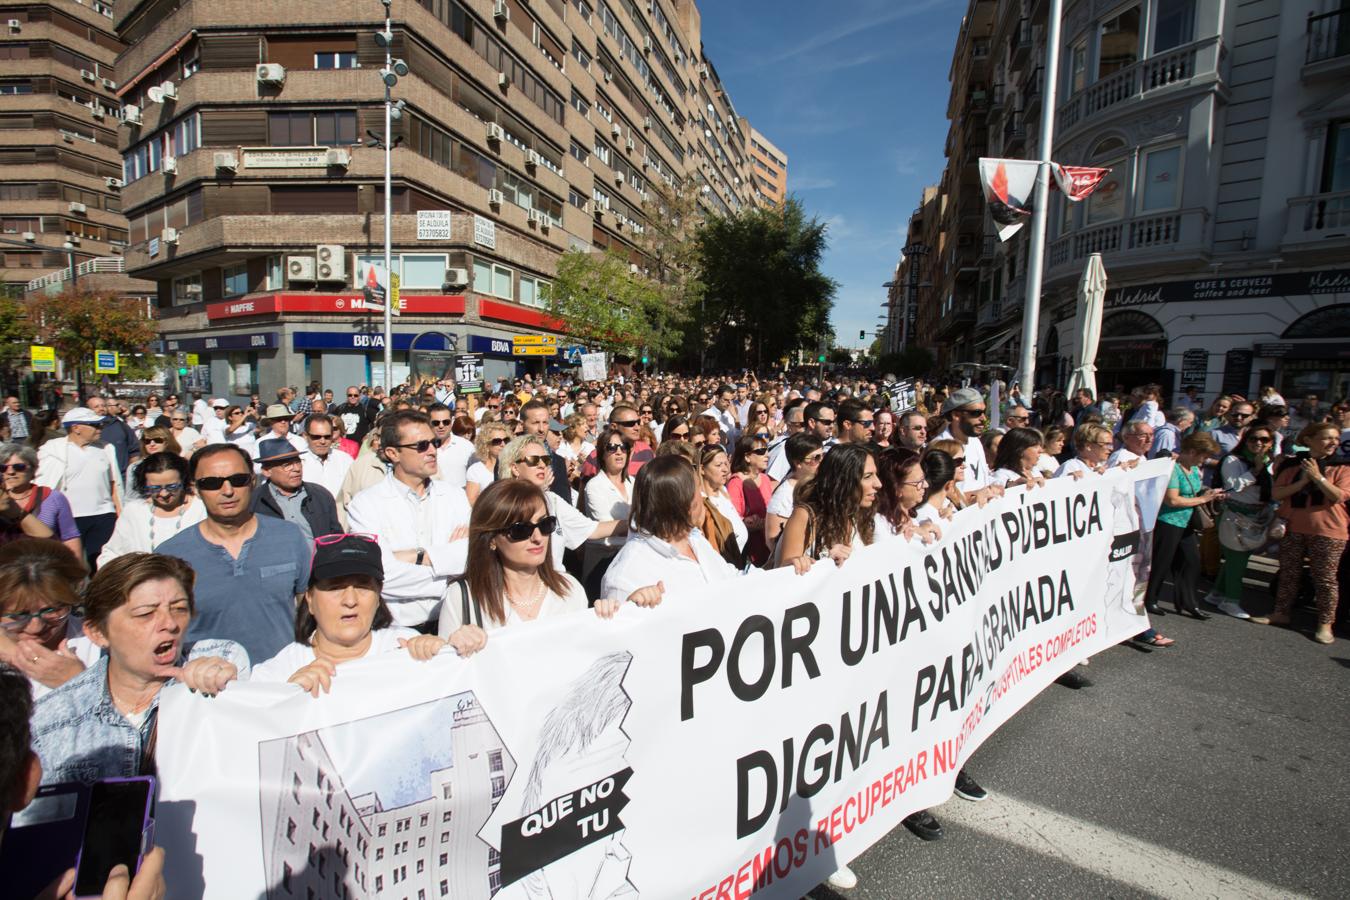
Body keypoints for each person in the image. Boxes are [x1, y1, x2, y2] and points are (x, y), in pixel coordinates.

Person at [31, 553, 245, 787]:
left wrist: (223, 686)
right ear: (98, 633)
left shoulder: (220, 659)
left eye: (180, 609)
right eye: (145, 613)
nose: (170, 623)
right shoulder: (50, 719)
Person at [157, 444, 312, 663]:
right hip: (208, 688)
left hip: (283, 680)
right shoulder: (170, 555)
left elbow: (307, 606)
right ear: (195, 489)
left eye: (238, 480)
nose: (228, 490)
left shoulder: (288, 536)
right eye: (212, 483)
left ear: (253, 481)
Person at [251, 534, 456, 692]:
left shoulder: (405, 648)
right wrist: (287, 701)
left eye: (363, 587)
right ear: (310, 600)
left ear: (378, 598)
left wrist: (447, 656)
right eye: (335, 587)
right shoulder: (275, 674)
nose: (350, 601)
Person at [345, 410, 471, 626]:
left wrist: (419, 556)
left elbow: (472, 557)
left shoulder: (455, 496)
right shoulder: (366, 504)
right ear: (393, 453)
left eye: (435, 443)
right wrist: (451, 575)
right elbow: (381, 576)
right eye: (422, 446)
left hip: (453, 622)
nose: (432, 451)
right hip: (395, 629)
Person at [439, 480, 605, 644]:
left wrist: (609, 620)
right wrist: (445, 645)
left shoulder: (570, 590)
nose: (538, 537)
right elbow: (447, 667)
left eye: (545, 524)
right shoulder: (462, 597)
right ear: (491, 539)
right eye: (521, 530)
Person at [1254, 422, 1350, 643]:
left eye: (1336, 439)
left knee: (1325, 579)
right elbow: (1277, 494)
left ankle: (1325, 624)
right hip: (1293, 526)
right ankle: (1281, 613)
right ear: (1308, 440)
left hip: (1328, 530)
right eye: (1327, 438)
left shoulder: (1343, 467)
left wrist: (1318, 477)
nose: (1333, 443)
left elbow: (1338, 496)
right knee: (1288, 572)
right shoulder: (1292, 466)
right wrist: (1304, 480)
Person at [601, 456, 740, 603]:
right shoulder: (626, 577)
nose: (703, 498)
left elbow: (732, 578)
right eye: (698, 490)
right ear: (688, 504)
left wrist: (766, 572)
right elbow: (619, 623)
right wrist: (632, 606)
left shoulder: (696, 539)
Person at [499, 434, 624, 572]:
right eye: (533, 460)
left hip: (555, 583)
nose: (541, 465)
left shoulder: (552, 500)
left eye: (545, 460)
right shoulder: (501, 503)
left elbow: (593, 530)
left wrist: (635, 522)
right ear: (515, 468)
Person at [1143, 433, 1224, 625]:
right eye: (1204, 456)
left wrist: (1209, 493)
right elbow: (1172, 500)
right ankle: (1150, 600)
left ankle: (1188, 602)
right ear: (1193, 451)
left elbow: (1193, 492)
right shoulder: (1174, 469)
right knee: (1160, 563)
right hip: (1168, 521)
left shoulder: (1194, 469)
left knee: (1192, 562)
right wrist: (1204, 499)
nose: (1205, 460)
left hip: (1185, 522)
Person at [0, 539, 97, 701]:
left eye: (51, 610)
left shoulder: (100, 643)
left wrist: (79, 683)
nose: (36, 627)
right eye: (19, 615)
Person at [35, 407, 122, 569]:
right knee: (70, 566)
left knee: (102, 565)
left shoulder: (106, 449)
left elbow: (114, 484)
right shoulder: (53, 450)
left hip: (104, 516)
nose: (99, 429)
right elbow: (43, 486)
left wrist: (119, 512)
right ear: (76, 428)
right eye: (94, 425)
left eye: (101, 425)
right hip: (69, 519)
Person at [1207, 423, 1276, 619]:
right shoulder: (1233, 460)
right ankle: (1231, 601)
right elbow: (1232, 486)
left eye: (1264, 440)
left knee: (1237, 559)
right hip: (1234, 516)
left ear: (1271, 443)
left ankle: (1216, 594)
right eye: (1253, 439)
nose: (1258, 443)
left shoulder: (1270, 463)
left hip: (1258, 516)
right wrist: (1255, 470)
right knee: (1237, 559)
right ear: (1245, 440)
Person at [776, 443, 880, 568]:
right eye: (867, 476)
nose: (878, 484)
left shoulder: (859, 513)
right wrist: (826, 563)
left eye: (875, 475)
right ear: (842, 480)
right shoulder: (805, 516)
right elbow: (784, 572)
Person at [97, 452, 207, 565]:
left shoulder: (201, 509)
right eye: (155, 488)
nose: (164, 494)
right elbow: (112, 553)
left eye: (172, 487)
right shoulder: (134, 512)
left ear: (183, 481)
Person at [252, 438, 341, 544]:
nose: (296, 469)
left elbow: (336, 536)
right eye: (287, 465)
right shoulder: (254, 502)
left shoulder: (320, 495)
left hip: (320, 559)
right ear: (266, 471)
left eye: (298, 462)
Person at [0, 442, 75, 550]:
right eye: (3, 468)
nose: (11, 472)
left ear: (33, 469)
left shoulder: (53, 498)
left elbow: (69, 537)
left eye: (19, 467)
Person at [765, 433, 824, 549]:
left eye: (823, 456)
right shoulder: (783, 495)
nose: (821, 461)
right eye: (816, 458)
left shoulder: (819, 484)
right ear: (798, 463)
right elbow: (772, 540)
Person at [935, 388, 993, 499]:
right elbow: (939, 495)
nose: (983, 418)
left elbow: (982, 477)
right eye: (976, 413)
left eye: (984, 412)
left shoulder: (974, 440)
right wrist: (974, 496)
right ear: (956, 415)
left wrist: (1006, 483)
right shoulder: (940, 448)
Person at [874, 446, 940, 543]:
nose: (926, 485)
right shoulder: (879, 525)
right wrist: (901, 540)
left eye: (924, 478)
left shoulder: (913, 517)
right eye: (919, 482)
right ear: (896, 489)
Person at [726, 433, 774, 566]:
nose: (767, 455)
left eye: (767, 450)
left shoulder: (765, 479)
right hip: (750, 548)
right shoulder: (736, 483)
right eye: (760, 451)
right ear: (747, 457)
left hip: (767, 544)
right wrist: (748, 522)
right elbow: (733, 520)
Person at [698, 442, 748, 566]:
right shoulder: (701, 501)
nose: (725, 469)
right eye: (718, 465)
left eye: (726, 463)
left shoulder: (723, 491)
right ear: (702, 469)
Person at [299, 413, 353, 501]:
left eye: (327, 437)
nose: (323, 441)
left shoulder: (345, 460)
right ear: (305, 436)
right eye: (316, 437)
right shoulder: (298, 462)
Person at [466, 421, 512, 504]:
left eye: (506, 440)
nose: (503, 444)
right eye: (497, 441)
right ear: (486, 444)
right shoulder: (475, 470)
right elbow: (471, 501)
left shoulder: (515, 466)